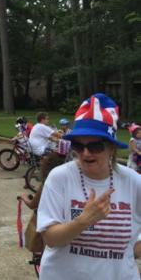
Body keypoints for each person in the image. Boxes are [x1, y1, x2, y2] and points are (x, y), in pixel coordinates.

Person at [36, 93, 141, 280]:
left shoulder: (133, 182)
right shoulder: (60, 177)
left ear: (111, 147)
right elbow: (50, 239)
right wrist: (83, 221)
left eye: (95, 146)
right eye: (78, 145)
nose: (85, 153)